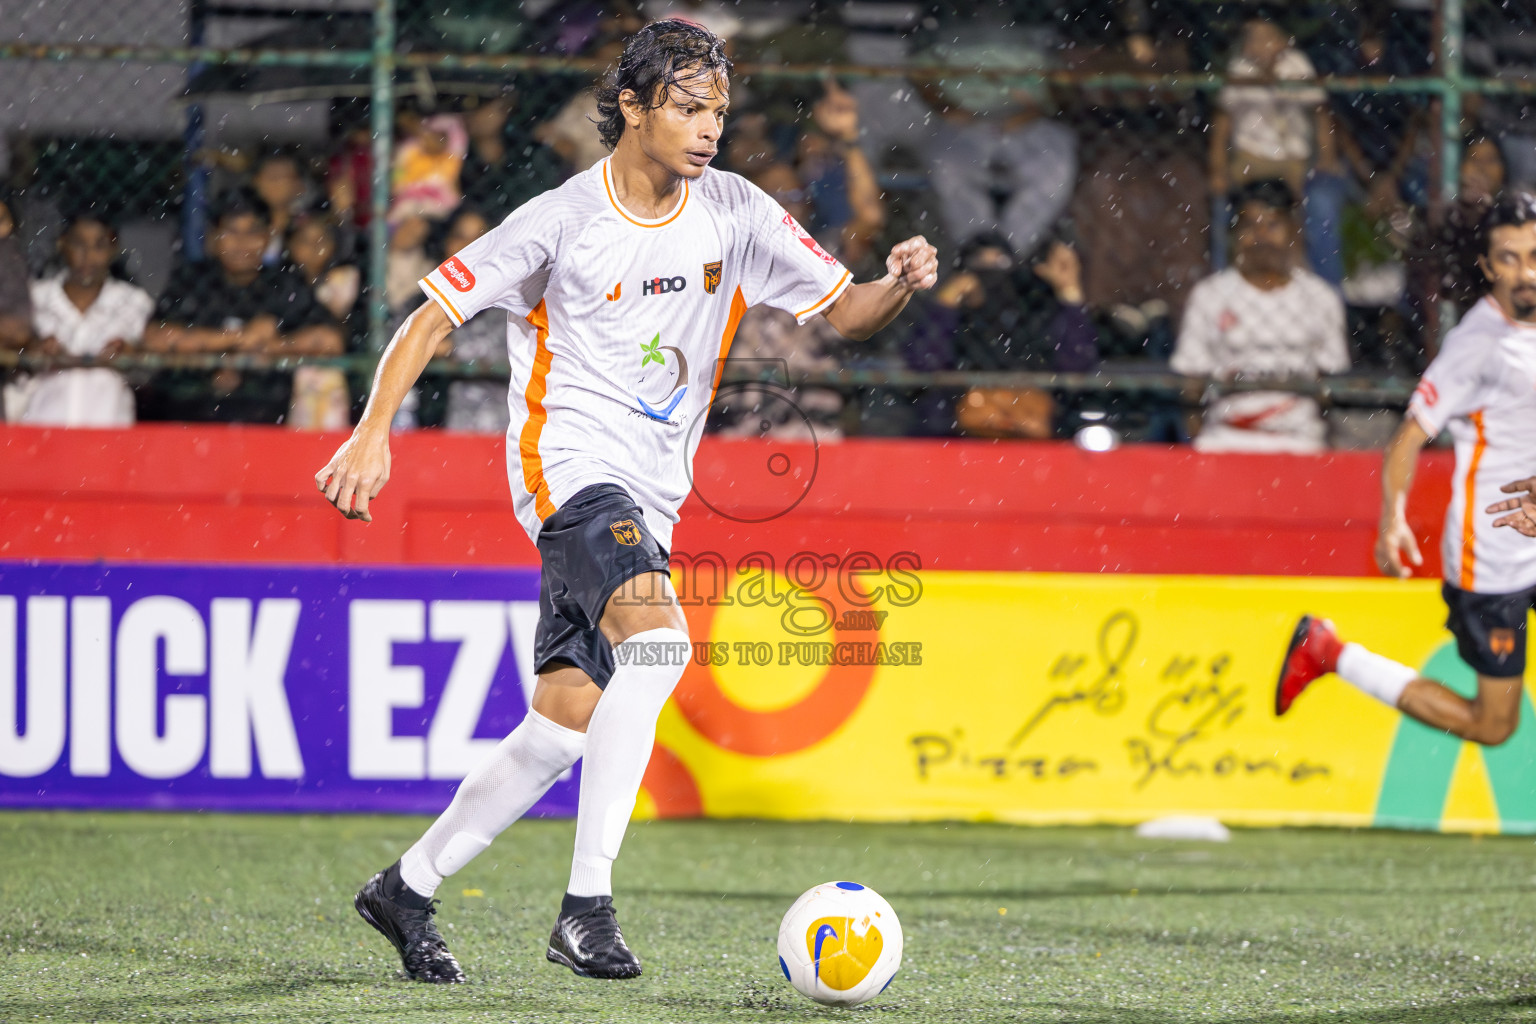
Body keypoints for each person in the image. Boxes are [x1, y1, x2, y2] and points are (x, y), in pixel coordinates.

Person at [316, 19, 936, 985]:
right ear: (635, 107)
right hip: (566, 469)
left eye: (719, 111)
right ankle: (586, 908)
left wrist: (895, 284)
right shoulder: (559, 220)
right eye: (688, 108)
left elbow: (846, 312)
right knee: (659, 642)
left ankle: (407, 886)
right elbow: (432, 311)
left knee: (560, 729)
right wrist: (370, 432)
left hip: (651, 500)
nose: (708, 129)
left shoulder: (736, 210)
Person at [1278, 191, 1536, 748]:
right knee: (1493, 725)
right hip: (1493, 557)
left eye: (1534, 255)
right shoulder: (1477, 346)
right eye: (1509, 258)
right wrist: (1393, 518)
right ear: (1489, 267)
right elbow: (1409, 437)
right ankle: (1330, 653)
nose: (1525, 272)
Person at [1171, 180, 1349, 453]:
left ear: (1293, 231)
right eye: (1250, 225)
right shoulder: (1210, 296)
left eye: (1273, 225)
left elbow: (1330, 388)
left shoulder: (1320, 298)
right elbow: (1191, 386)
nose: (1261, 236)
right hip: (1225, 438)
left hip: (1300, 439)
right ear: (1235, 234)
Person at [141, 189, 344, 423]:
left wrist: (275, 346)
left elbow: (330, 340)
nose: (242, 243)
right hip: (188, 416)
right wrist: (237, 339)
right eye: (231, 232)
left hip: (264, 418)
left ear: (268, 237)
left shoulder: (284, 282)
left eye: (253, 232)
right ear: (213, 237)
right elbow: (155, 338)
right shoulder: (192, 279)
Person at [14, 213, 152, 427]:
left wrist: (129, 354)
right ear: (62, 243)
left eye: (99, 246)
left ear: (113, 248)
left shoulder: (133, 302)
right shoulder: (36, 297)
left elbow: (147, 369)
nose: (88, 256)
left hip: (108, 426)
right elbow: (14, 349)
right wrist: (34, 348)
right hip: (43, 425)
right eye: (79, 244)